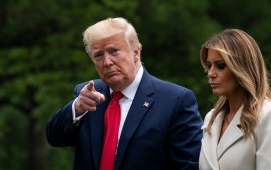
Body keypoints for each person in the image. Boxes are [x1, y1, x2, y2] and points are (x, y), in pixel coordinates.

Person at [46, 17, 203, 170]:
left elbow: (189, 165)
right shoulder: (87, 95)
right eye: (99, 55)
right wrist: (77, 108)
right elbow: (55, 137)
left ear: (136, 53)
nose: (107, 62)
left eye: (114, 51)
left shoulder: (175, 100)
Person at [198, 29, 271, 170]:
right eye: (209, 66)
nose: (211, 73)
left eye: (220, 66)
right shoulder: (211, 119)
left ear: (242, 68)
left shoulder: (269, 115)